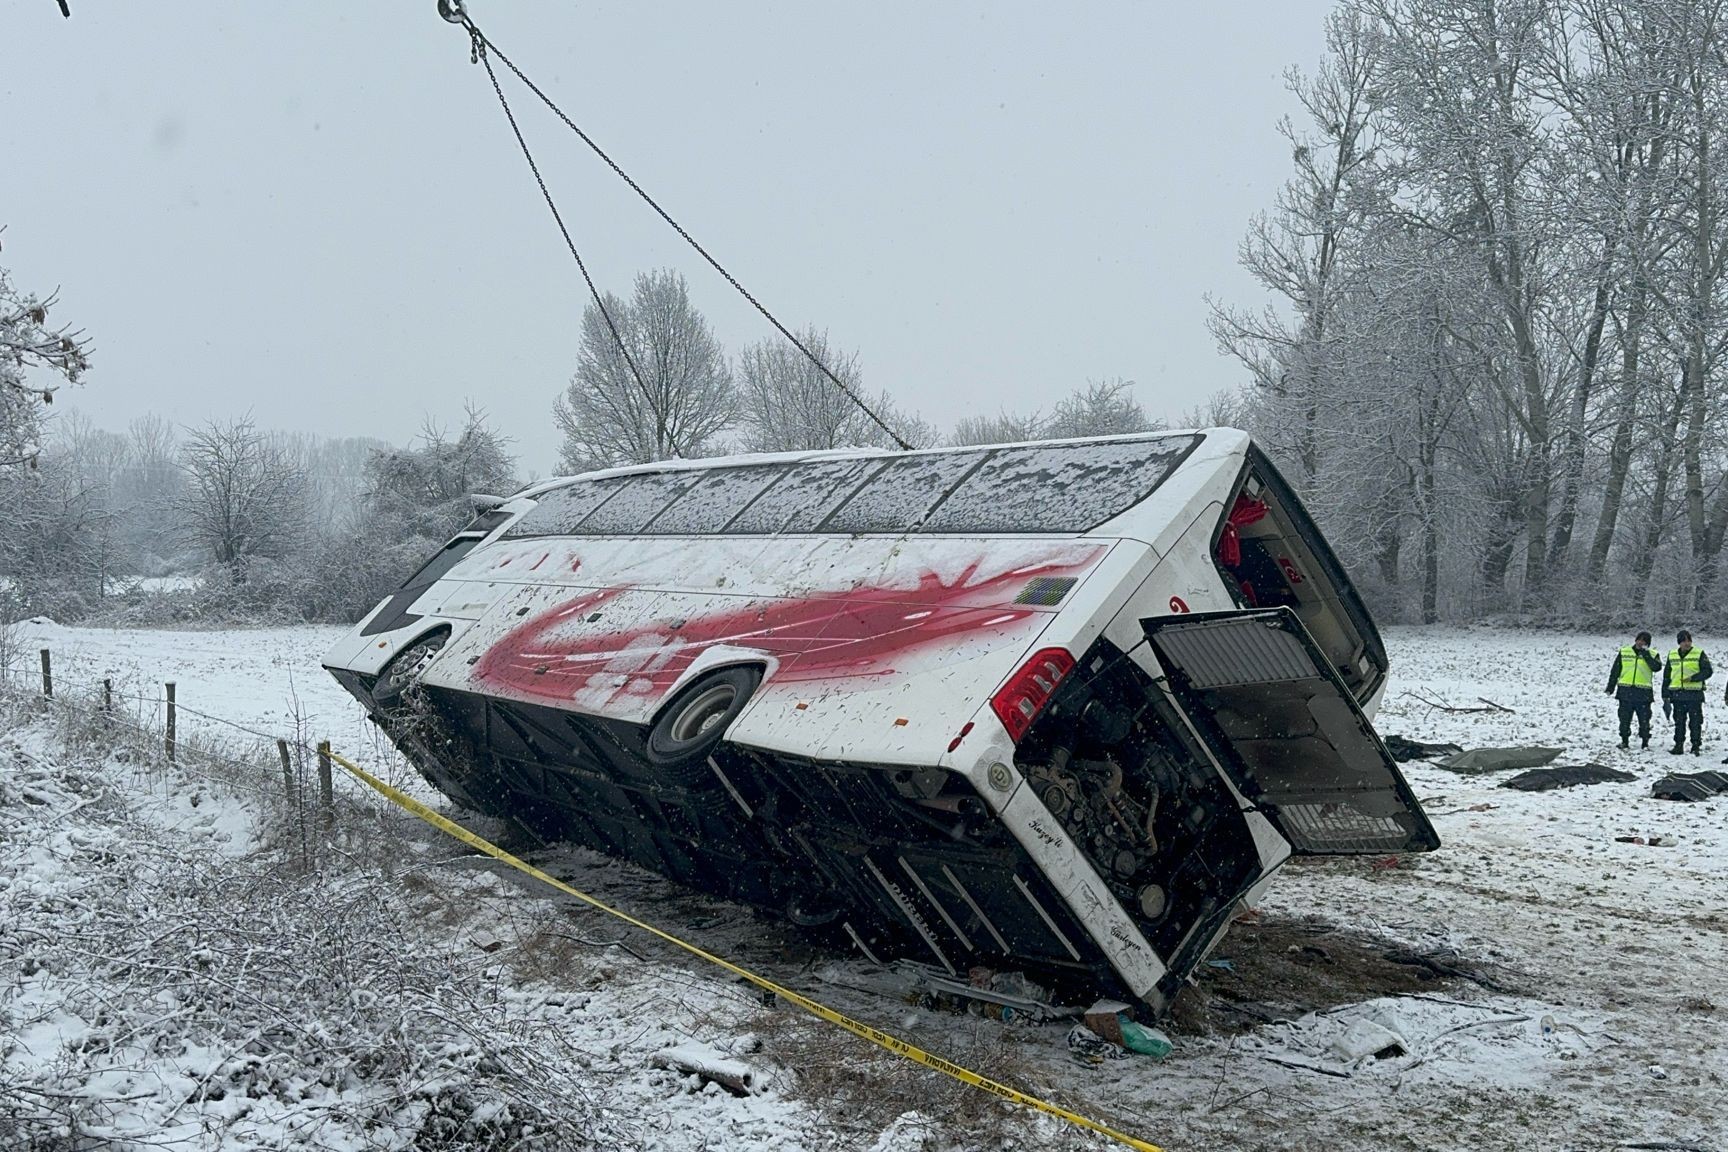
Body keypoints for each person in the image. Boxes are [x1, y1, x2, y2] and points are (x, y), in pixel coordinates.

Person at [1605, 631, 1661, 749]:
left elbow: (1656, 668)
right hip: (1625, 691)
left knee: (1644, 720)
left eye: (1644, 641)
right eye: (1639, 640)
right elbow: (1615, 670)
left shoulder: (1653, 654)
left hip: (1643, 692)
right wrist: (1611, 687)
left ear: (1648, 644)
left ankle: (1645, 742)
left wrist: (1645, 655)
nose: (1641, 643)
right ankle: (1624, 740)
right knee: (1624, 719)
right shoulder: (1625, 652)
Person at [1661, 630, 1713, 755]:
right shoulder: (1672, 655)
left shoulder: (1699, 653)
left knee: (1695, 722)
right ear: (1679, 642)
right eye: (1684, 641)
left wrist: (1693, 678)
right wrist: (1665, 693)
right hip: (1677, 694)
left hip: (1694, 694)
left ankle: (1695, 745)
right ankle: (1679, 745)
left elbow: (1708, 671)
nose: (1687, 643)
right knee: (1679, 722)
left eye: (1689, 640)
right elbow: (1667, 675)